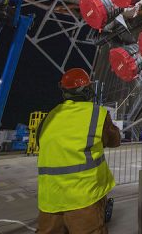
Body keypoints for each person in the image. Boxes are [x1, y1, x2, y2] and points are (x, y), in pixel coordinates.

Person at [37, 68, 121, 234]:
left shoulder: (50, 116)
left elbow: (44, 144)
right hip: (84, 198)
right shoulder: (97, 114)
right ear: (87, 90)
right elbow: (114, 140)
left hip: (50, 199)